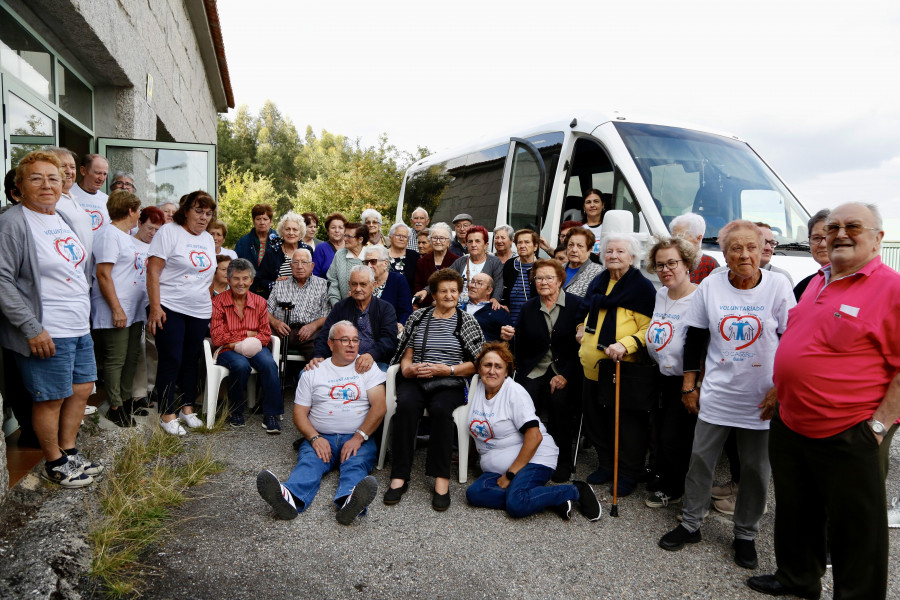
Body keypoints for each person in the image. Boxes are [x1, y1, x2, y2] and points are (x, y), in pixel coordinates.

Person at [748, 202, 900, 600]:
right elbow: (803, 343)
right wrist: (781, 391)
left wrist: (880, 425)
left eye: (853, 226)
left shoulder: (892, 289)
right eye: (833, 228)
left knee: (856, 531)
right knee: (797, 513)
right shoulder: (819, 280)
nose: (841, 234)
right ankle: (798, 579)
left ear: (878, 238)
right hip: (792, 423)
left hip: (849, 431)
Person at [658, 219, 795, 571]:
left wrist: (781, 389)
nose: (745, 254)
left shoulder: (779, 286)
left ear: (764, 248)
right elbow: (696, 338)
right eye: (736, 248)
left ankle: (745, 535)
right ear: (725, 252)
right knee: (700, 461)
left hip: (761, 398)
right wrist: (689, 386)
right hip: (717, 393)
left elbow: (794, 343)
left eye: (752, 246)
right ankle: (691, 524)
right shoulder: (710, 287)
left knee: (755, 469)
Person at [0, 150, 100, 486]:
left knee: (82, 388)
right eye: (36, 178)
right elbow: (2, 280)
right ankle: (54, 462)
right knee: (51, 397)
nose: (47, 185)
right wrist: (32, 328)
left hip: (77, 324)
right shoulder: (14, 222)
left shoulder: (62, 218)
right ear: (20, 187)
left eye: (53, 178)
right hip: (46, 329)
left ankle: (70, 453)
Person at [255, 321, 385, 524]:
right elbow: (298, 412)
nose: (351, 345)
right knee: (309, 464)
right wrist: (314, 438)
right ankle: (288, 499)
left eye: (355, 340)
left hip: (357, 437)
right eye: (344, 340)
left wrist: (359, 437)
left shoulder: (367, 367)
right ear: (331, 344)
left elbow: (379, 407)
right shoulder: (313, 372)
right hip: (321, 436)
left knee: (356, 464)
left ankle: (350, 502)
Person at [465, 341, 601, 521]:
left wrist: (510, 475)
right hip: (496, 468)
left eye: (498, 366)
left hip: (536, 458)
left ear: (506, 371)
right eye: (487, 365)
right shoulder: (477, 389)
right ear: (479, 368)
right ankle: (548, 498)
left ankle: (574, 490)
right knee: (474, 494)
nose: (492, 371)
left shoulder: (514, 393)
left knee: (516, 505)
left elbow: (535, 437)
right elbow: (480, 429)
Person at [384, 269, 484, 510]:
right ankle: (399, 475)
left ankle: (441, 479)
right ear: (434, 294)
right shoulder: (418, 318)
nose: (449, 295)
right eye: (443, 291)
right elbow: (406, 354)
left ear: (459, 294)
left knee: (441, 410)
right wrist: (408, 370)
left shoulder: (466, 321)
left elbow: (478, 362)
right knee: (406, 406)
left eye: (453, 291)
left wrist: (446, 370)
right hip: (417, 377)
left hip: (449, 380)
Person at [577, 233, 656, 496]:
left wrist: (626, 344)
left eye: (620, 252)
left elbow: (649, 330)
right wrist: (580, 328)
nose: (613, 256)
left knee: (627, 426)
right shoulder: (598, 282)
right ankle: (606, 464)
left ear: (632, 257)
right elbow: (587, 315)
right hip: (591, 368)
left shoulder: (642, 288)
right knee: (596, 420)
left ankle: (628, 473)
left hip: (622, 371)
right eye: (609, 251)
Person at [501, 259, 583, 483]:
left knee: (560, 403)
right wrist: (510, 337)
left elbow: (582, 348)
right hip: (535, 368)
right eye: (539, 278)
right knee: (524, 401)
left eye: (549, 278)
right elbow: (522, 344)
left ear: (559, 281)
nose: (543, 282)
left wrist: (565, 374)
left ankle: (562, 459)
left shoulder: (577, 305)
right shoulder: (529, 307)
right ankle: (526, 457)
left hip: (565, 369)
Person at [147, 190, 217, 436]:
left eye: (208, 213)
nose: (203, 218)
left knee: (191, 359)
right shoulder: (169, 232)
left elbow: (208, 276)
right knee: (171, 358)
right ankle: (167, 414)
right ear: (185, 210)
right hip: (170, 306)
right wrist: (155, 307)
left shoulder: (208, 238)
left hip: (199, 309)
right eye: (198, 211)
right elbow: (153, 271)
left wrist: (207, 303)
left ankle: (187, 409)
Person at [642, 236, 700, 509]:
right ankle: (665, 479)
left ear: (687, 263)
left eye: (672, 263)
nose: (666, 270)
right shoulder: (661, 294)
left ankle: (678, 490)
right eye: (660, 265)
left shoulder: (699, 298)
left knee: (676, 438)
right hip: (660, 376)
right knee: (659, 433)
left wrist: (693, 383)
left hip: (686, 380)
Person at [91, 190, 144, 427]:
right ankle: (114, 406)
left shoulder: (126, 235)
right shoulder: (108, 235)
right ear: (130, 210)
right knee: (116, 358)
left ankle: (124, 400)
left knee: (131, 356)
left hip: (133, 309)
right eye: (138, 210)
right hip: (116, 308)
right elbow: (103, 274)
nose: (139, 215)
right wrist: (116, 308)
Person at [211, 258, 283, 432]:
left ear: (251, 280)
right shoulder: (219, 302)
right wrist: (247, 335)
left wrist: (246, 339)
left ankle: (271, 414)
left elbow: (265, 335)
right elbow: (217, 337)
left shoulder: (260, 302)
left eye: (245, 278)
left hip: (255, 346)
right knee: (240, 365)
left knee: (269, 364)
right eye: (236, 278)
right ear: (228, 280)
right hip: (228, 349)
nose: (240, 283)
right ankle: (236, 411)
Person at [311, 266, 397, 372]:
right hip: (341, 362)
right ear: (349, 284)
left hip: (374, 362)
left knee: (382, 378)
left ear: (373, 285)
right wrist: (319, 355)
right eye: (354, 284)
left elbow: (388, 340)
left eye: (363, 284)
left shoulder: (385, 309)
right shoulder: (340, 307)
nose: (358, 289)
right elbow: (325, 335)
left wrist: (371, 355)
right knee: (307, 374)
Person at [130, 206, 165, 413]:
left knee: (153, 347)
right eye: (150, 228)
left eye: (157, 230)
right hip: (133, 303)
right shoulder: (129, 242)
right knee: (138, 348)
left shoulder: (158, 246)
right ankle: (138, 392)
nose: (152, 234)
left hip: (152, 303)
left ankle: (152, 387)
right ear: (140, 223)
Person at [268, 248, 329, 358]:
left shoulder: (323, 285)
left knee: (319, 353)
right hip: (280, 330)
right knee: (263, 347)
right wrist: (275, 323)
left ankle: (309, 374)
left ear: (312, 265)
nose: (300, 266)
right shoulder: (280, 284)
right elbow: (266, 311)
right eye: (296, 262)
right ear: (291, 266)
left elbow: (327, 315)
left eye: (304, 262)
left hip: (310, 333)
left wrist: (313, 326)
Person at [234, 203, 280, 298]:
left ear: (271, 221)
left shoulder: (279, 241)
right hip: (249, 290)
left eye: (265, 219)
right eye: (258, 219)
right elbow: (236, 267)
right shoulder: (243, 242)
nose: (262, 222)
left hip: (273, 291)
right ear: (253, 221)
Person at [450, 225, 503, 306]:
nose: (473, 245)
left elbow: (499, 284)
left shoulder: (494, 262)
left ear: (486, 245)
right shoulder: (460, 261)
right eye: (470, 241)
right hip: (460, 308)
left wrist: (495, 299)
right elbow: (444, 277)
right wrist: (426, 290)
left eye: (478, 241)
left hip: (482, 309)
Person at [362, 245, 412, 330]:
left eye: (373, 261)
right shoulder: (363, 281)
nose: (369, 266)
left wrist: (401, 324)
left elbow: (406, 310)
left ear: (385, 263)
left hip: (389, 329)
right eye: (366, 262)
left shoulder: (398, 280)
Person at [412, 222, 458, 308]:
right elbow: (418, 287)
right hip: (427, 307)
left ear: (449, 241)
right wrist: (431, 302)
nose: (437, 241)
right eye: (434, 238)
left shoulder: (457, 261)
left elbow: (458, 287)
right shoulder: (422, 262)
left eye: (442, 238)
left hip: (450, 306)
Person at [501, 228, 538, 323]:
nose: (522, 246)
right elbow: (503, 289)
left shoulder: (541, 266)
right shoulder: (509, 265)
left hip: (533, 320)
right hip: (510, 319)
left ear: (535, 246)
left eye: (527, 242)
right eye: (519, 243)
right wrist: (503, 304)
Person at [670, 213, 719, 284]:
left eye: (681, 237)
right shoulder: (671, 261)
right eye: (673, 237)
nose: (675, 242)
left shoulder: (710, 264)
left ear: (698, 238)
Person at [792, 209, 830, 300]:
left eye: (828, 237)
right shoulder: (803, 287)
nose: (822, 244)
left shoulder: (856, 284)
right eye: (816, 238)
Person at [326, 222, 366, 307]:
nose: (345, 239)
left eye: (349, 236)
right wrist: (337, 305)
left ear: (360, 239)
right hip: (342, 309)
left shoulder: (370, 256)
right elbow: (332, 281)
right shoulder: (340, 254)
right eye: (345, 235)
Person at [69, 153, 109, 231]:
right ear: (83, 171)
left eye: (105, 174)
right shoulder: (67, 193)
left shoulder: (107, 200)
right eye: (98, 173)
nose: (102, 178)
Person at [465, 272, 510, 342]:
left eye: (479, 283)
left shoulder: (498, 311)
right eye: (472, 282)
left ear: (489, 290)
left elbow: (510, 338)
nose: (473, 286)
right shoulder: (458, 309)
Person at [561, 227, 603, 297]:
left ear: (589, 249)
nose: (574, 250)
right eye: (571, 245)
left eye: (580, 246)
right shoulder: (558, 269)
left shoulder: (598, 272)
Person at [274, 211, 313, 279]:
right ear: (282, 232)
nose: (291, 233)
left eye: (295, 229)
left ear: (300, 233)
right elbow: (261, 279)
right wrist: (275, 283)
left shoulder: (308, 250)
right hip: (280, 289)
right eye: (287, 229)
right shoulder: (273, 251)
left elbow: (313, 275)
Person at [386, 222, 420, 292]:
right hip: (383, 298)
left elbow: (418, 281)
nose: (401, 239)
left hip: (407, 297)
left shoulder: (414, 256)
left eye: (405, 237)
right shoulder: (381, 254)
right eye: (398, 235)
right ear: (390, 237)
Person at [311, 212, 346, 277]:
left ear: (345, 231)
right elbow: (315, 275)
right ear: (327, 231)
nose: (337, 231)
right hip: (326, 286)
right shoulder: (321, 248)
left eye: (341, 228)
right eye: (333, 227)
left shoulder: (350, 247)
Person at [582, 189, 605, 254]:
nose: (592, 205)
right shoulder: (579, 230)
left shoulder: (610, 227)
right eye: (588, 202)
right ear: (584, 207)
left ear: (603, 205)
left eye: (596, 201)